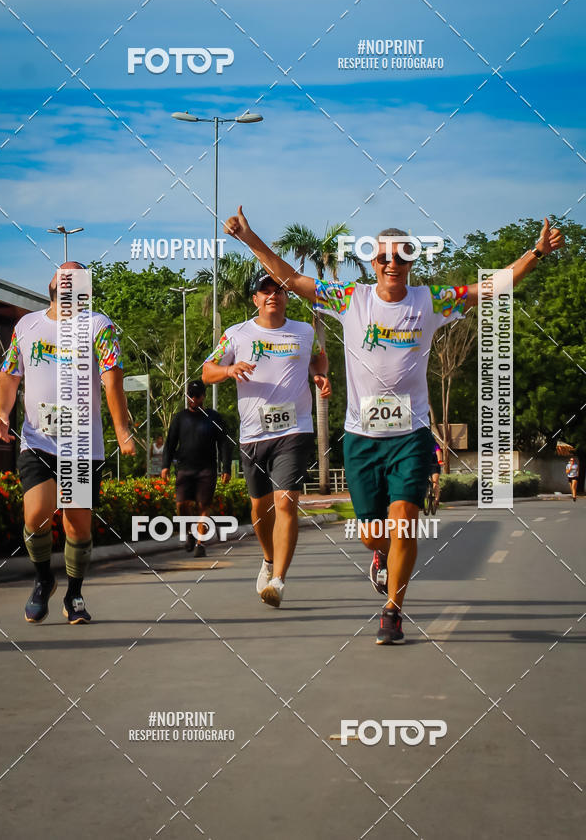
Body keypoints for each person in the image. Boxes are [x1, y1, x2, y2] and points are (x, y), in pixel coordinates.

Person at [224, 206, 565, 643]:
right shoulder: (351, 299)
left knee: (404, 518)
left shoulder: (431, 301)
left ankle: (393, 610)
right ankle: (379, 556)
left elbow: (492, 287)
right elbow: (292, 280)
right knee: (372, 535)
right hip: (362, 438)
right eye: (384, 256)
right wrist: (251, 239)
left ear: (410, 262)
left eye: (401, 256)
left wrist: (536, 252)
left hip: (411, 434)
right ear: (374, 262)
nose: (391, 263)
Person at [0, 262, 135, 625]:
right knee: (36, 513)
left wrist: (122, 430)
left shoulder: (99, 327)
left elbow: (112, 379)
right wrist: (2, 413)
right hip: (37, 440)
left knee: (77, 526)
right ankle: (43, 579)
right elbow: (9, 376)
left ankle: (74, 593)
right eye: (64, 274)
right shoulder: (27, 326)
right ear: (52, 284)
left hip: (82, 445)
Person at [202, 270, 331, 607]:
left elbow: (319, 359)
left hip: (295, 429)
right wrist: (229, 370)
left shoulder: (304, 332)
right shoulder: (236, 334)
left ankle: (278, 580)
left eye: (280, 290)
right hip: (254, 434)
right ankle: (268, 558)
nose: (273, 295)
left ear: (287, 297)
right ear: (255, 299)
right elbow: (207, 371)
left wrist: (319, 376)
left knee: (286, 501)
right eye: (265, 290)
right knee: (260, 509)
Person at [161, 379, 233, 557]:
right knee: (181, 505)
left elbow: (224, 443)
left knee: (203, 506)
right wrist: (165, 466)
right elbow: (170, 443)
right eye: (190, 395)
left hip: (206, 470)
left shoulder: (214, 417)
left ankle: (200, 544)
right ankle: (190, 533)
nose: (193, 399)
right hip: (185, 469)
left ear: (203, 397)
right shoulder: (180, 418)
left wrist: (226, 468)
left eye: (196, 396)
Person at [431, 441, 442, 506]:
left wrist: (440, 461)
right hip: (424, 466)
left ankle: (436, 499)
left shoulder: (435, 444)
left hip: (435, 465)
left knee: (435, 482)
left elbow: (438, 452)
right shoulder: (420, 444)